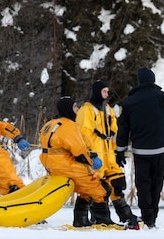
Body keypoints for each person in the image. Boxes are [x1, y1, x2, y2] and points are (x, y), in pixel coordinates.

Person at [116, 67, 164, 229]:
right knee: (156, 185)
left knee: (143, 185)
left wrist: (120, 150)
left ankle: (148, 217)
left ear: (139, 81)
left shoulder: (129, 102)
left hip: (141, 152)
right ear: (153, 80)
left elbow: (123, 129)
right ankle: (152, 217)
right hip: (161, 150)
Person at [40, 97, 113, 226]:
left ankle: (81, 220)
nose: (77, 109)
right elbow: (79, 152)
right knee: (101, 188)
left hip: (52, 166)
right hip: (66, 166)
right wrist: (92, 161)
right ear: (68, 109)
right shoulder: (69, 126)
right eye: (74, 107)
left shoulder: (50, 124)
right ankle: (102, 221)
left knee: (86, 191)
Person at [76, 80, 139, 228]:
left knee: (117, 183)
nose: (107, 94)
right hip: (95, 155)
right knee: (96, 188)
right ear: (97, 92)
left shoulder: (108, 109)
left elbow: (114, 131)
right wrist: (90, 154)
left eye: (107, 91)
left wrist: (119, 151)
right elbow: (82, 134)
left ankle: (126, 216)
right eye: (104, 91)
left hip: (109, 154)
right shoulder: (87, 111)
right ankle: (97, 217)